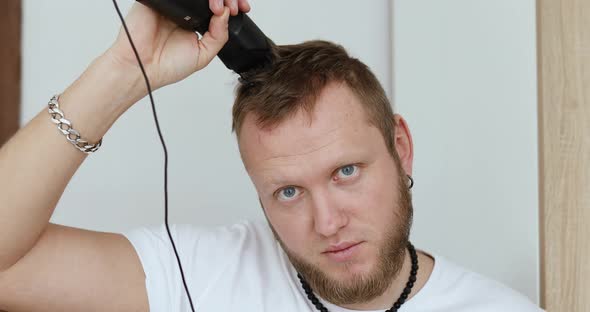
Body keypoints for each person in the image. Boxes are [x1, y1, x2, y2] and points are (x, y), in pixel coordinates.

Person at [0, 1, 544, 311]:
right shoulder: (204, 275)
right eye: (288, 192)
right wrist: (123, 70)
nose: (328, 222)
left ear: (400, 148)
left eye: (346, 172)